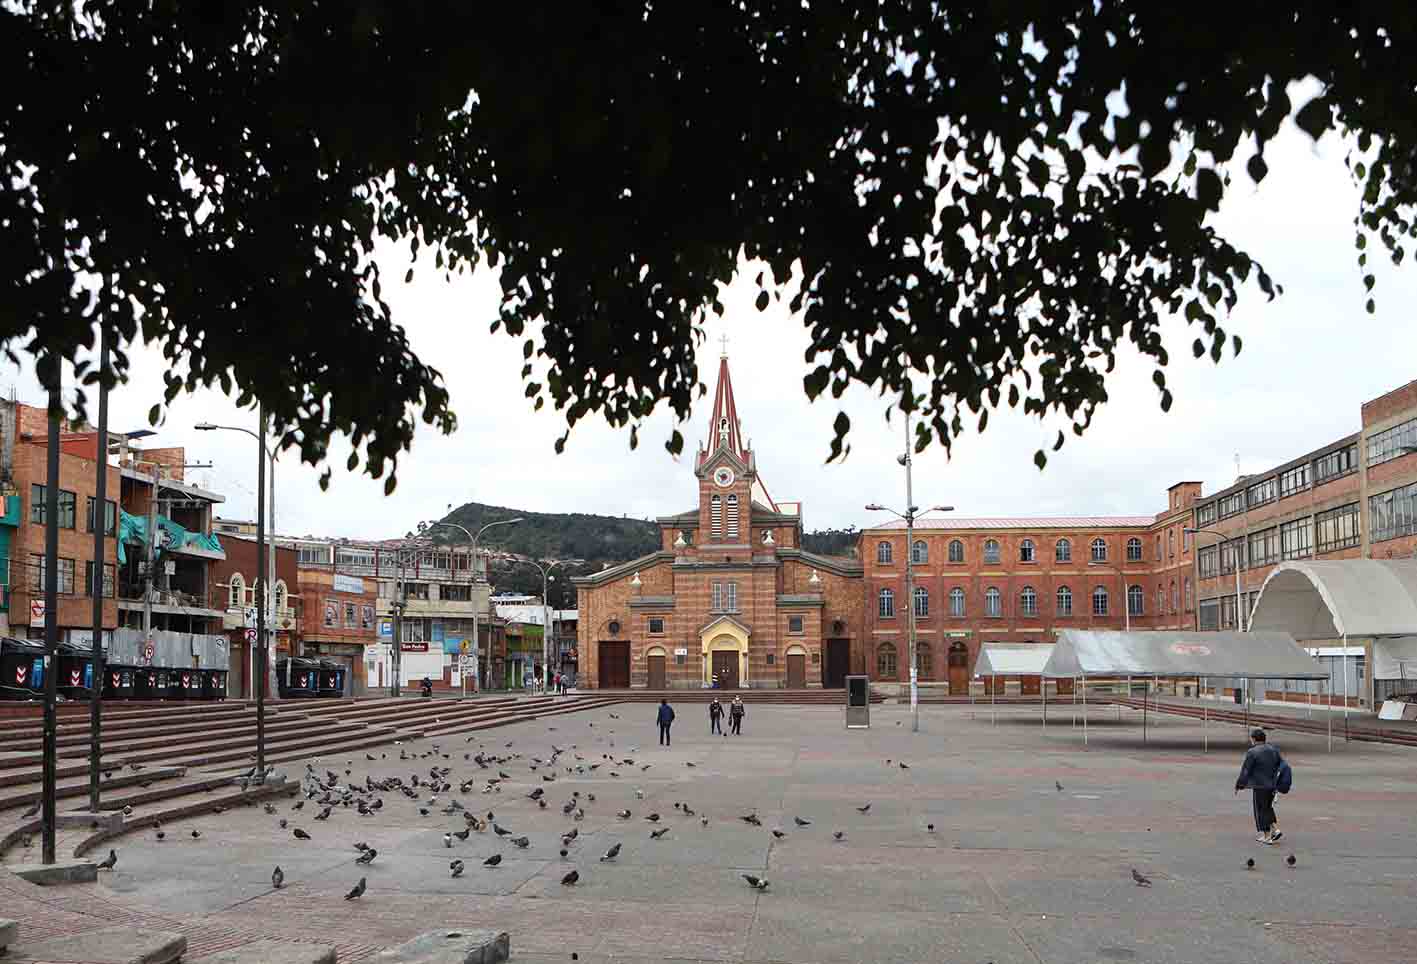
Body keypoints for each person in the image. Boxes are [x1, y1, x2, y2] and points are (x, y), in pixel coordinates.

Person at [1235, 728, 1285, 844]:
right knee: (1268, 807)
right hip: (1272, 784)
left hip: (1260, 785)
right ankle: (1275, 829)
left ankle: (1267, 836)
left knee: (1260, 810)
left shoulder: (1252, 752)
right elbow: (1281, 765)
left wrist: (1240, 784)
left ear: (1254, 739)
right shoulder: (1274, 750)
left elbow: (1246, 770)